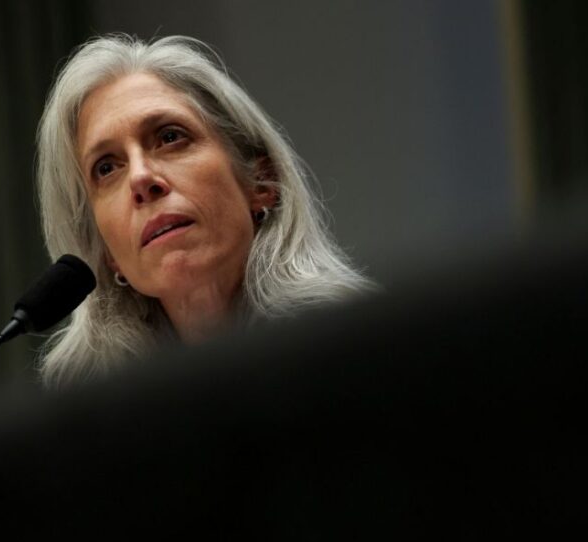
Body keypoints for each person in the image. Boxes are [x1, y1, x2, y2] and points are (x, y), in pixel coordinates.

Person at [35, 34, 373, 387]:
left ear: (262, 183)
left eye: (169, 137)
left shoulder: (363, 348)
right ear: (107, 254)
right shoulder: (98, 417)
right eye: (106, 168)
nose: (140, 178)